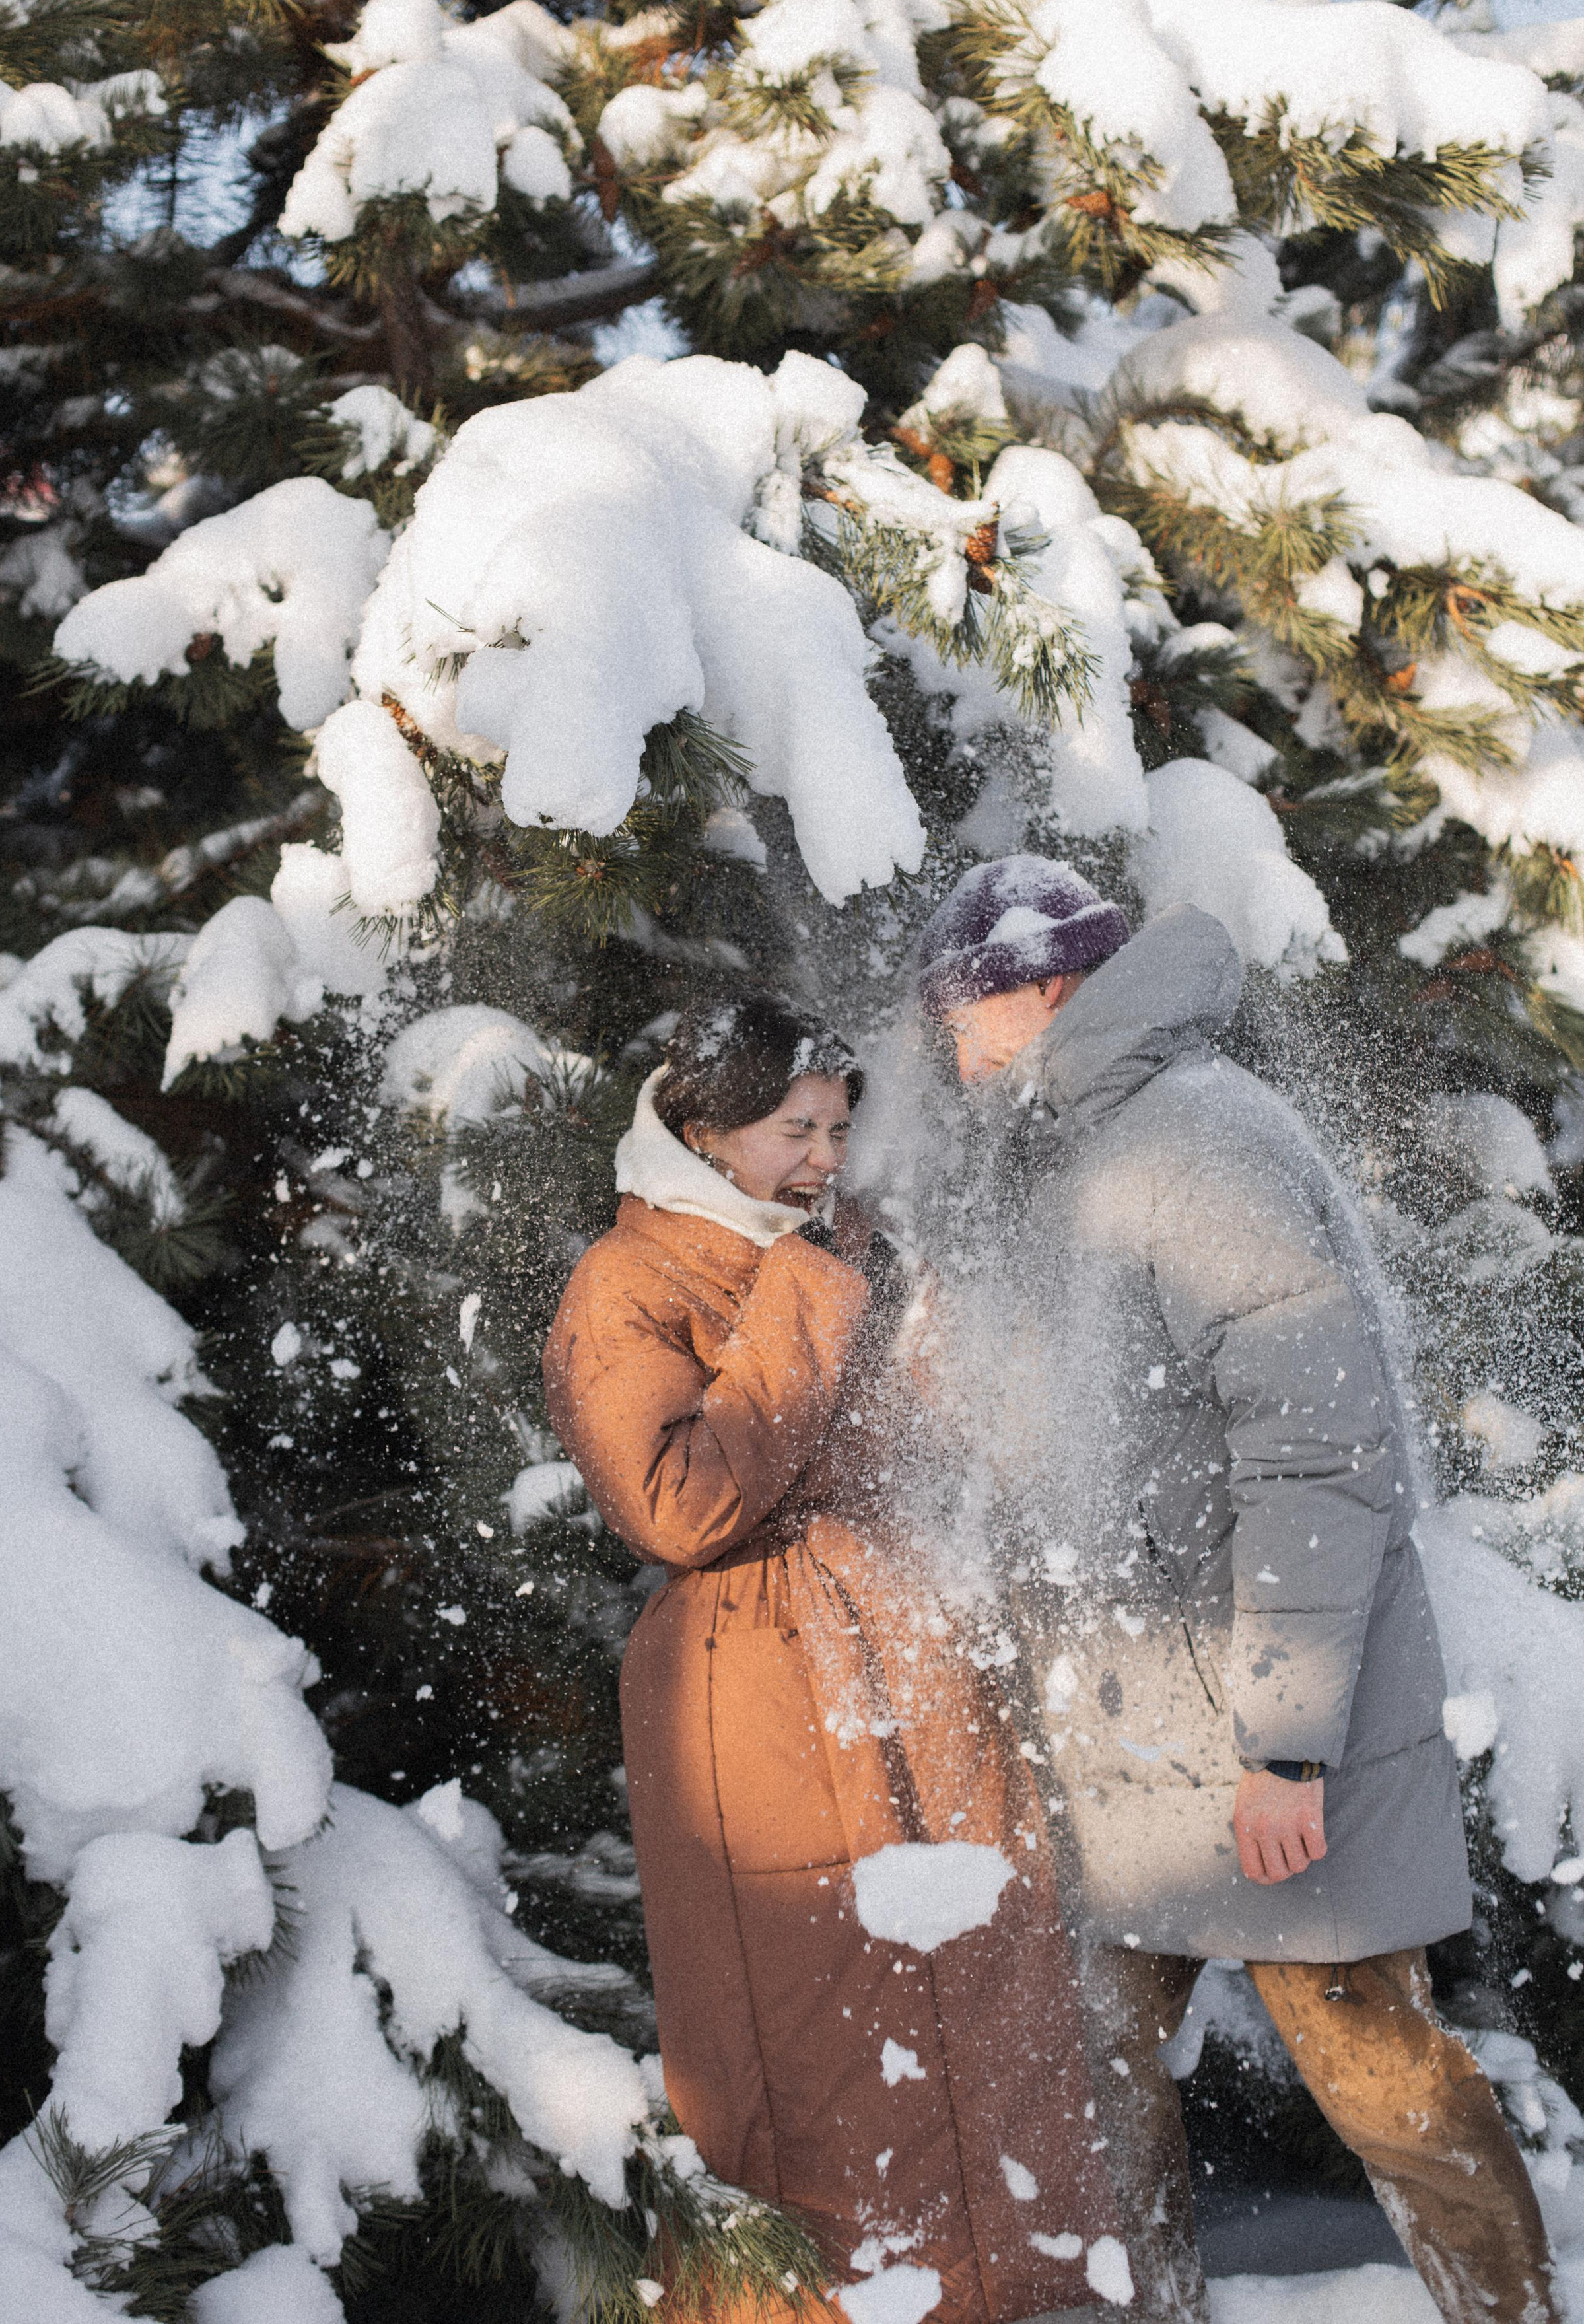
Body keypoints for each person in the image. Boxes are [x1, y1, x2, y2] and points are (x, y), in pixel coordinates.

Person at [916, 854, 1560, 2324]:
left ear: (1041, 993)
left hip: (1255, 1734)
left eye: (962, 1018)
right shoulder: (1076, 1149)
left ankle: (1511, 2310)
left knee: (1373, 2066)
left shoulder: (1194, 1144)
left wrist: (1286, 1742)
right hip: (1135, 1734)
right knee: (1089, 2070)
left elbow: (1321, 1452)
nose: (950, 1055)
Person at [543, 995, 1124, 2324]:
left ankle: (1010, 2297)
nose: (822, 1158)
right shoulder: (624, 1284)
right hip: (755, 1693)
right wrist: (809, 1294)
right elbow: (677, 1505)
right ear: (702, 1130)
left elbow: (942, 1437)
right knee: (820, 2038)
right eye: (791, 1130)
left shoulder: (849, 1246)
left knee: (982, 1994)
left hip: (916, 1660)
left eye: (837, 1130)